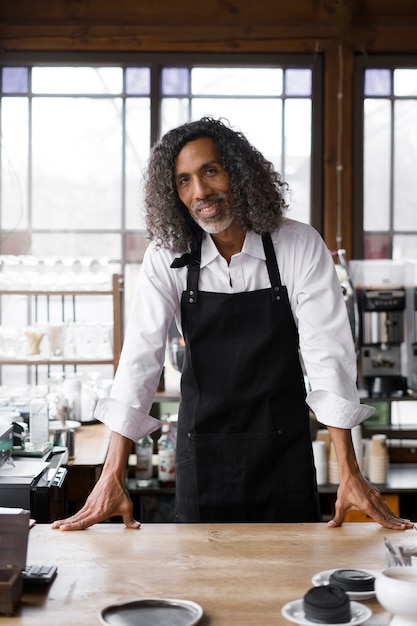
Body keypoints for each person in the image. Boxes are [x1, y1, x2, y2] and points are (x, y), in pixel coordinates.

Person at [52, 117, 413, 530]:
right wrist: (112, 473)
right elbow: (139, 360)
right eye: (184, 180)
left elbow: (327, 356)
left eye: (210, 171)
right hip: (202, 456)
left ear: (238, 173)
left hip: (283, 455)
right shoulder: (166, 256)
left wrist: (349, 470)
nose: (200, 192)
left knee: (289, 578)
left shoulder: (298, 245)